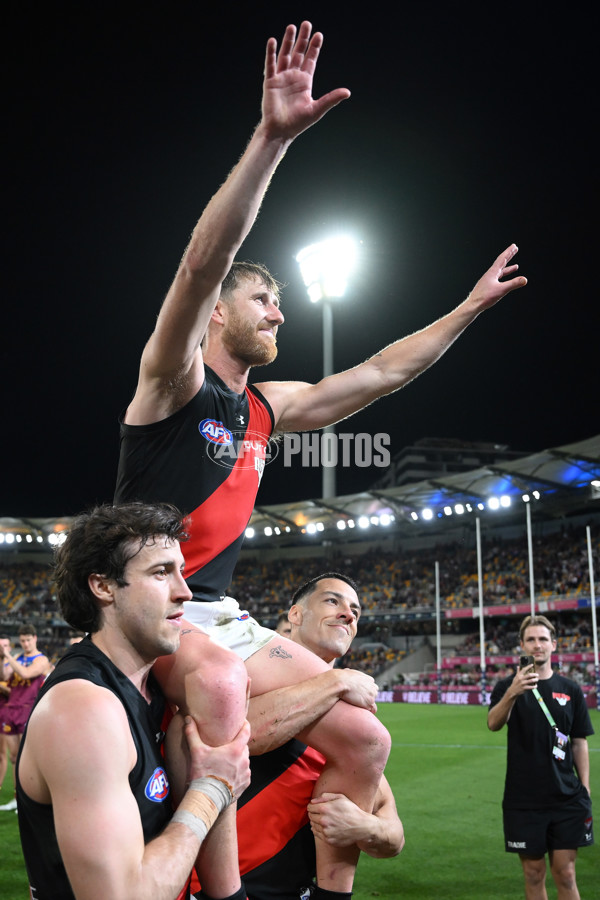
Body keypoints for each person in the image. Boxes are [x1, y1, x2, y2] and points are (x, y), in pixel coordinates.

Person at [114, 19, 526, 896]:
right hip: (146, 606)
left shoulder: (271, 405)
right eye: (265, 300)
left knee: (366, 737)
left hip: (216, 609)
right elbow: (200, 265)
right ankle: (211, 886)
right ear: (221, 315)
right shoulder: (171, 383)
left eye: (282, 302)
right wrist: (268, 141)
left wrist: (467, 310)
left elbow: (379, 374)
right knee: (225, 693)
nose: (280, 314)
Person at [15, 501, 251, 900]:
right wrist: (211, 790)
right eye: (161, 573)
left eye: (182, 571)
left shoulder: (155, 683)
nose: (185, 592)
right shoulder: (83, 709)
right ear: (103, 586)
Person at [236, 574, 404, 900]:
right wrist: (335, 681)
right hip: (221, 890)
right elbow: (239, 734)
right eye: (333, 601)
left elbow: (394, 835)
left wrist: (365, 827)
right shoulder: (245, 676)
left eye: (355, 609)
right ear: (295, 615)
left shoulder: (352, 726)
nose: (348, 613)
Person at [488, 614, 594, 900]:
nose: (538, 645)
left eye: (543, 639)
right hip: (523, 799)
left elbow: (579, 741)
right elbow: (493, 723)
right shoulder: (505, 687)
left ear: (554, 645)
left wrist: (585, 787)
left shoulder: (571, 689)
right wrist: (513, 691)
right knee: (533, 874)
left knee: (566, 874)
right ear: (521, 645)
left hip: (566, 797)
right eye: (531, 639)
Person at [0, 623, 51, 812]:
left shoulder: (41, 660)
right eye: (22, 640)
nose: (25, 643)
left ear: (35, 639)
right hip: (11, 708)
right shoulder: (18, 657)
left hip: (28, 710)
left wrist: (6, 655)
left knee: (26, 758)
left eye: (28, 640)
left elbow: (26, 673)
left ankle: (30, 800)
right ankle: (16, 797)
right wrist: (2, 658)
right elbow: (3, 675)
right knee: (14, 757)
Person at [0, 635, 13, 800]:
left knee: (2, 753)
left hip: (4, 713)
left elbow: (15, 693)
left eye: (5, 646)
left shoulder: (13, 667)